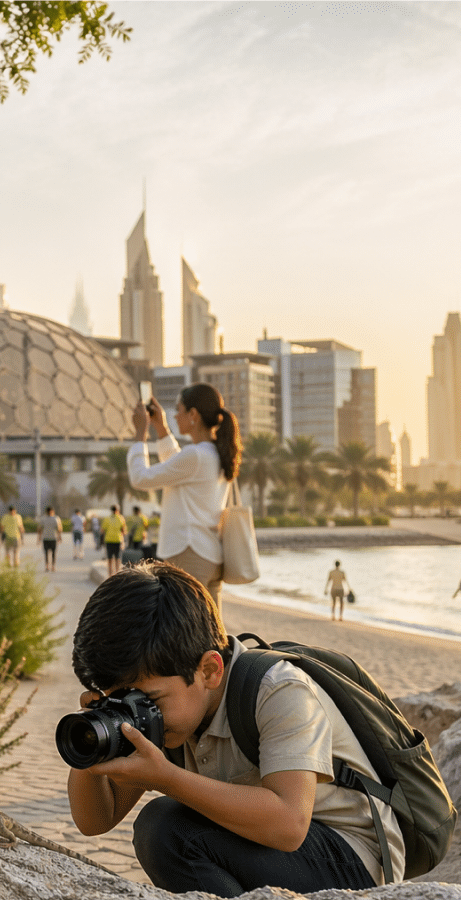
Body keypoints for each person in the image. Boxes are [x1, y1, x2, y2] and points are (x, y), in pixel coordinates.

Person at [67, 562, 402, 896]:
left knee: (167, 829)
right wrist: (92, 743)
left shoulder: (279, 690)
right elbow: (96, 820)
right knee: (166, 829)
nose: (136, 708)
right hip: (261, 843)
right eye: (119, 698)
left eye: (150, 698)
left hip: (351, 858)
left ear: (209, 670)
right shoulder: (169, 712)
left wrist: (167, 778)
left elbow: (289, 824)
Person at [126, 382, 241, 608]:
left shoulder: (197, 456)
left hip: (190, 553)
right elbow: (176, 467)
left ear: (193, 415)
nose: (175, 416)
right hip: (207, 554)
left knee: (190, 634)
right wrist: (161, 429)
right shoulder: (212, 452)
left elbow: (141, 478)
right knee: (210, 633)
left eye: (178, 410)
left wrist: (141, 434)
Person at [101, 503, 127, 577]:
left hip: (109, 540)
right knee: (117, 558)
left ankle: (110, 575)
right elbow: (124, 531)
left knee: (109, 559)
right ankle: (117, 574)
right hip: (118, 540)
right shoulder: (121, 518)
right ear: (118, 510)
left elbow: (102, 530)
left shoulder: (107, 518)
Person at [38, 506, 62, 572]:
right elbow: (59, 528)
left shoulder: (43, 518)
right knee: (53, 553)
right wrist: (60, 537)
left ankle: (47, 566)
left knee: (46, 553)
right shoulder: (56, 518)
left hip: (46, 538)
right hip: (53, 538)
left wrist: (39, 538)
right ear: (53, 511)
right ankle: (53, 566)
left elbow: (39, 529)